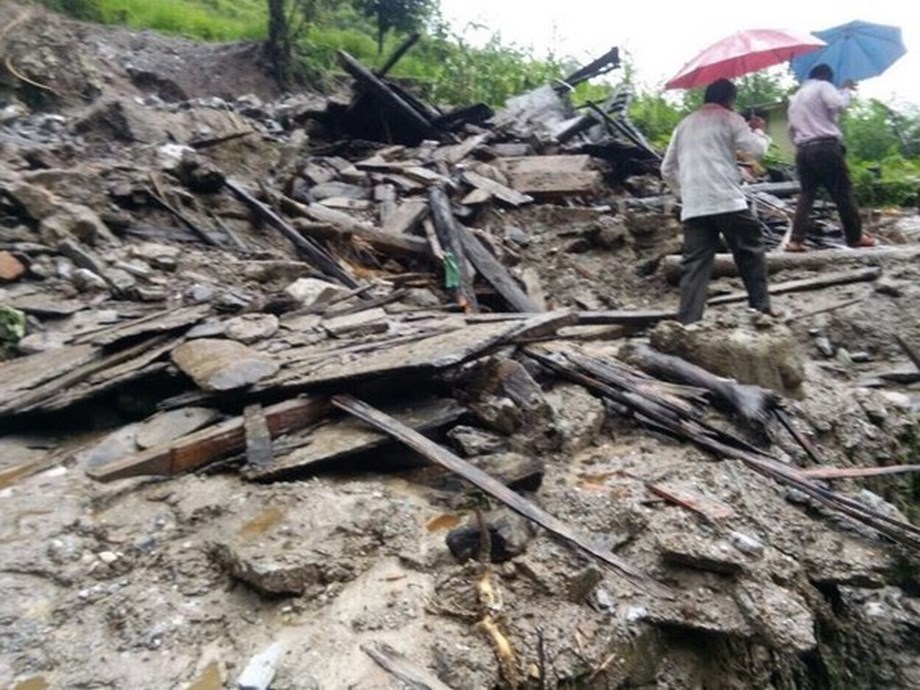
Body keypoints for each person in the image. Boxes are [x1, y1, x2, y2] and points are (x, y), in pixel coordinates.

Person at [661, 78, 774, 324]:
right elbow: (757, 151)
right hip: (727, 200)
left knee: (695, 266)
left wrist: (685, 194)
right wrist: (758, 130)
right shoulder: (730, 119)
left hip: (695, 207)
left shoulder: (684, 125)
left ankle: (688, 323)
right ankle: (761, 310)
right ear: (729, 100)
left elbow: (667, 169)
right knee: (750, 252)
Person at [786, 63, 877, 252]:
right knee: (842, 192)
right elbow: (838, 104)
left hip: (803, 150)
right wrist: (846, 90)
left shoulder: (796, 97)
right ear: (826, 76)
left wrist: (803, 144)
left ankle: (796, 240)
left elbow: (790, 130)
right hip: (825, 147)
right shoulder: (823, 86)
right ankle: (855, 237)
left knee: (806, 195)